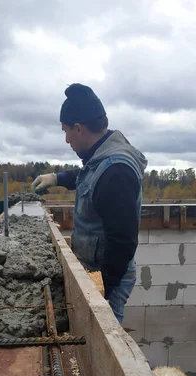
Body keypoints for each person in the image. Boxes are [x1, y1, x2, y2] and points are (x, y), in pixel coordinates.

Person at [32, 83, 147, 325]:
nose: (66, 140)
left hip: (106, 277)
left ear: (79, 128)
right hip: (95, 271)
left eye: (66, 131)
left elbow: (123, 240)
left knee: (102, 339)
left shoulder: (116, 170)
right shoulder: (101, 156)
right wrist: (56, 178)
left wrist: (102, 289)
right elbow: (89, 177)